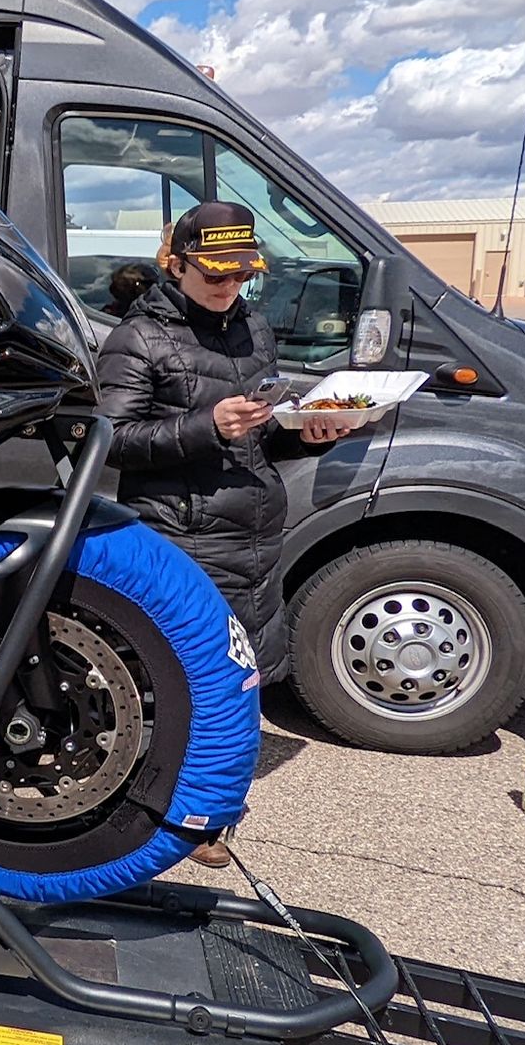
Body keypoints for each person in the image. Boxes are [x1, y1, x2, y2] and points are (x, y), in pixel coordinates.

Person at [96, 201, 354, 866]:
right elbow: (109, 443)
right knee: (179, 688)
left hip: (256, 537)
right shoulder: (138, 339)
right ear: (175, 264)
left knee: (241, 691)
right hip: (182, 541)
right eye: (213, 273)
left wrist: (309, 435)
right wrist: (208, 426)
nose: (228, 286)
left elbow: (261, 436)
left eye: (240, 274)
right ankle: (148, 815)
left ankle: (212, 815)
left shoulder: (253, 331)